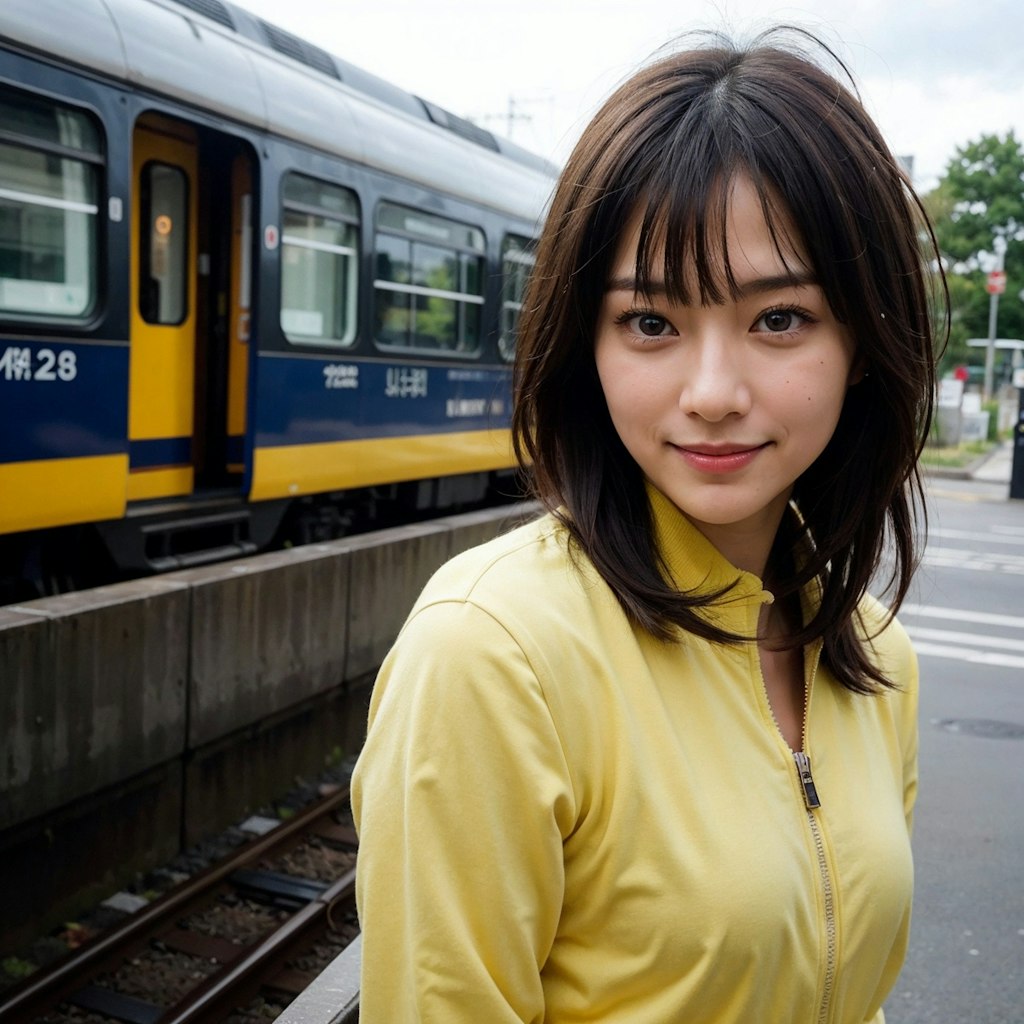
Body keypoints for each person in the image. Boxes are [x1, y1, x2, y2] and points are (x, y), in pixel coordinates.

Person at [351, 27, 943, 1024]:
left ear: (863, 339)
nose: (711, 393)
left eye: (779, 318)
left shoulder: (874, 658)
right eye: (651, 323)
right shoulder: (492, 655)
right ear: (586, 344)